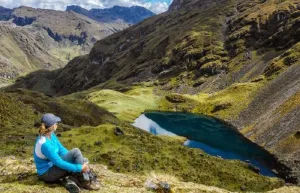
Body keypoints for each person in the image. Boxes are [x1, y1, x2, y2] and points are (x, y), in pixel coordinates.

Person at [33, 113, 100, 193]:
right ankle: (83, 181)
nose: (57, 124)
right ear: (51, 126)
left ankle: (70, 179)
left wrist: (75, 159)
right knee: (76, 152)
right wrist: (79, 168)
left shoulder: (51, 135)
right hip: (47, 174)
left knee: (82, 159)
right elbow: (59, 163)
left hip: (54, 168)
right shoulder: (44, 144)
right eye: (55, 123)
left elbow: (61, 150)